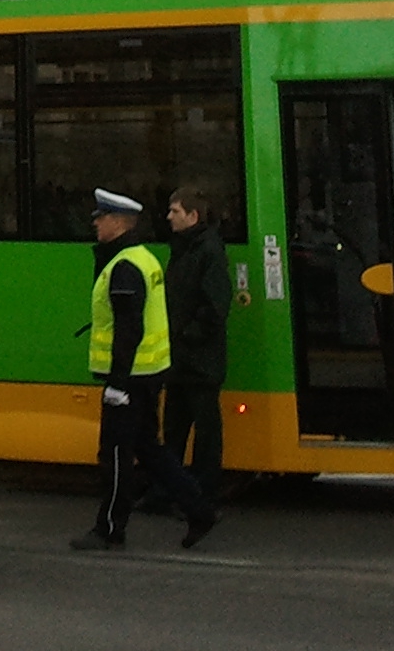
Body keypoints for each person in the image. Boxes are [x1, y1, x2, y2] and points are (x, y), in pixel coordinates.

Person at [72, 188, 217, 552]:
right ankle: (199, 510)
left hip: (131, 378)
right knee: (149, 449)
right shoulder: (143, 258)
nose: (95, 224)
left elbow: (128, 329)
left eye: (101, 218)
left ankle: (109, 529)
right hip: (149, 373)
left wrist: (117, 383)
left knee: (115, 454)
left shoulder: (124, 267)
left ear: (119, 223)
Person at [156, 185, 231, 508]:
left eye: (175, 211)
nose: (169, 216)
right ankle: (169, 492)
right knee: (173, 429)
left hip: (199, 360)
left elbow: (215, 306)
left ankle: (200, 495)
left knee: (204, 434)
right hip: (182, 359)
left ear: (193, 215)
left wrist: (186, 335)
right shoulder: (186, 248)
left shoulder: (207, 251)